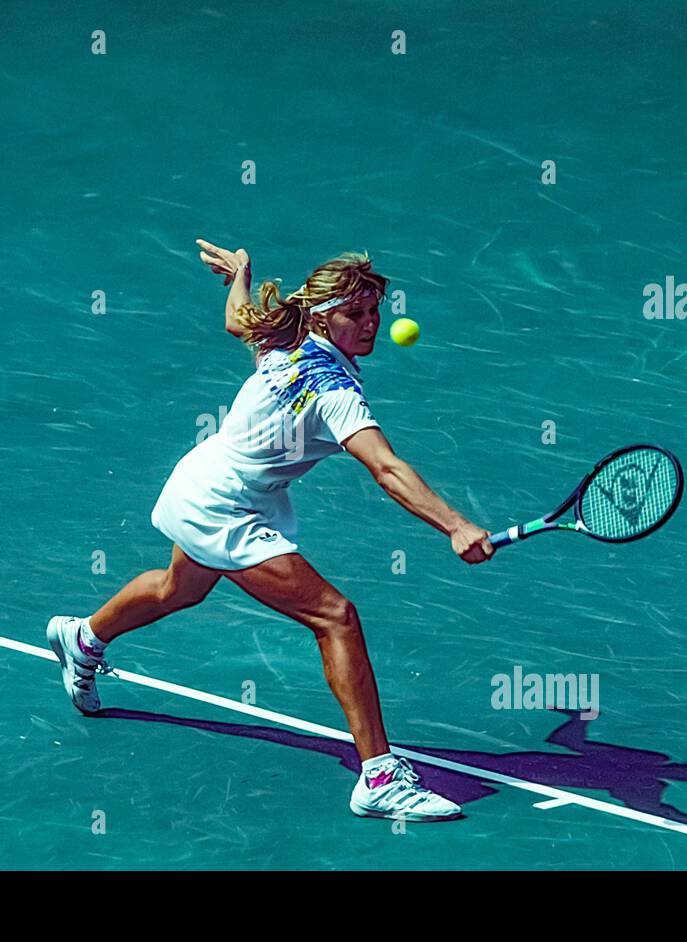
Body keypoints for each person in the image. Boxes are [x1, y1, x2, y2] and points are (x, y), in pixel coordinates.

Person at [48, 239, 494, 820]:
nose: (370, 324)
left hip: (205, 479)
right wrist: (455, 524)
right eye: (354, 313)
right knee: (336, 616)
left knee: (179, 588)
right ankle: (380, 779)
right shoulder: (334, 391)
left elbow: (237, 319)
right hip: (223, 506)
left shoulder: (286, 341)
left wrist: (240, 274)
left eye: (372, 311)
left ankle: (83, 638)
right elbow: (386, 468)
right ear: (323, 316)